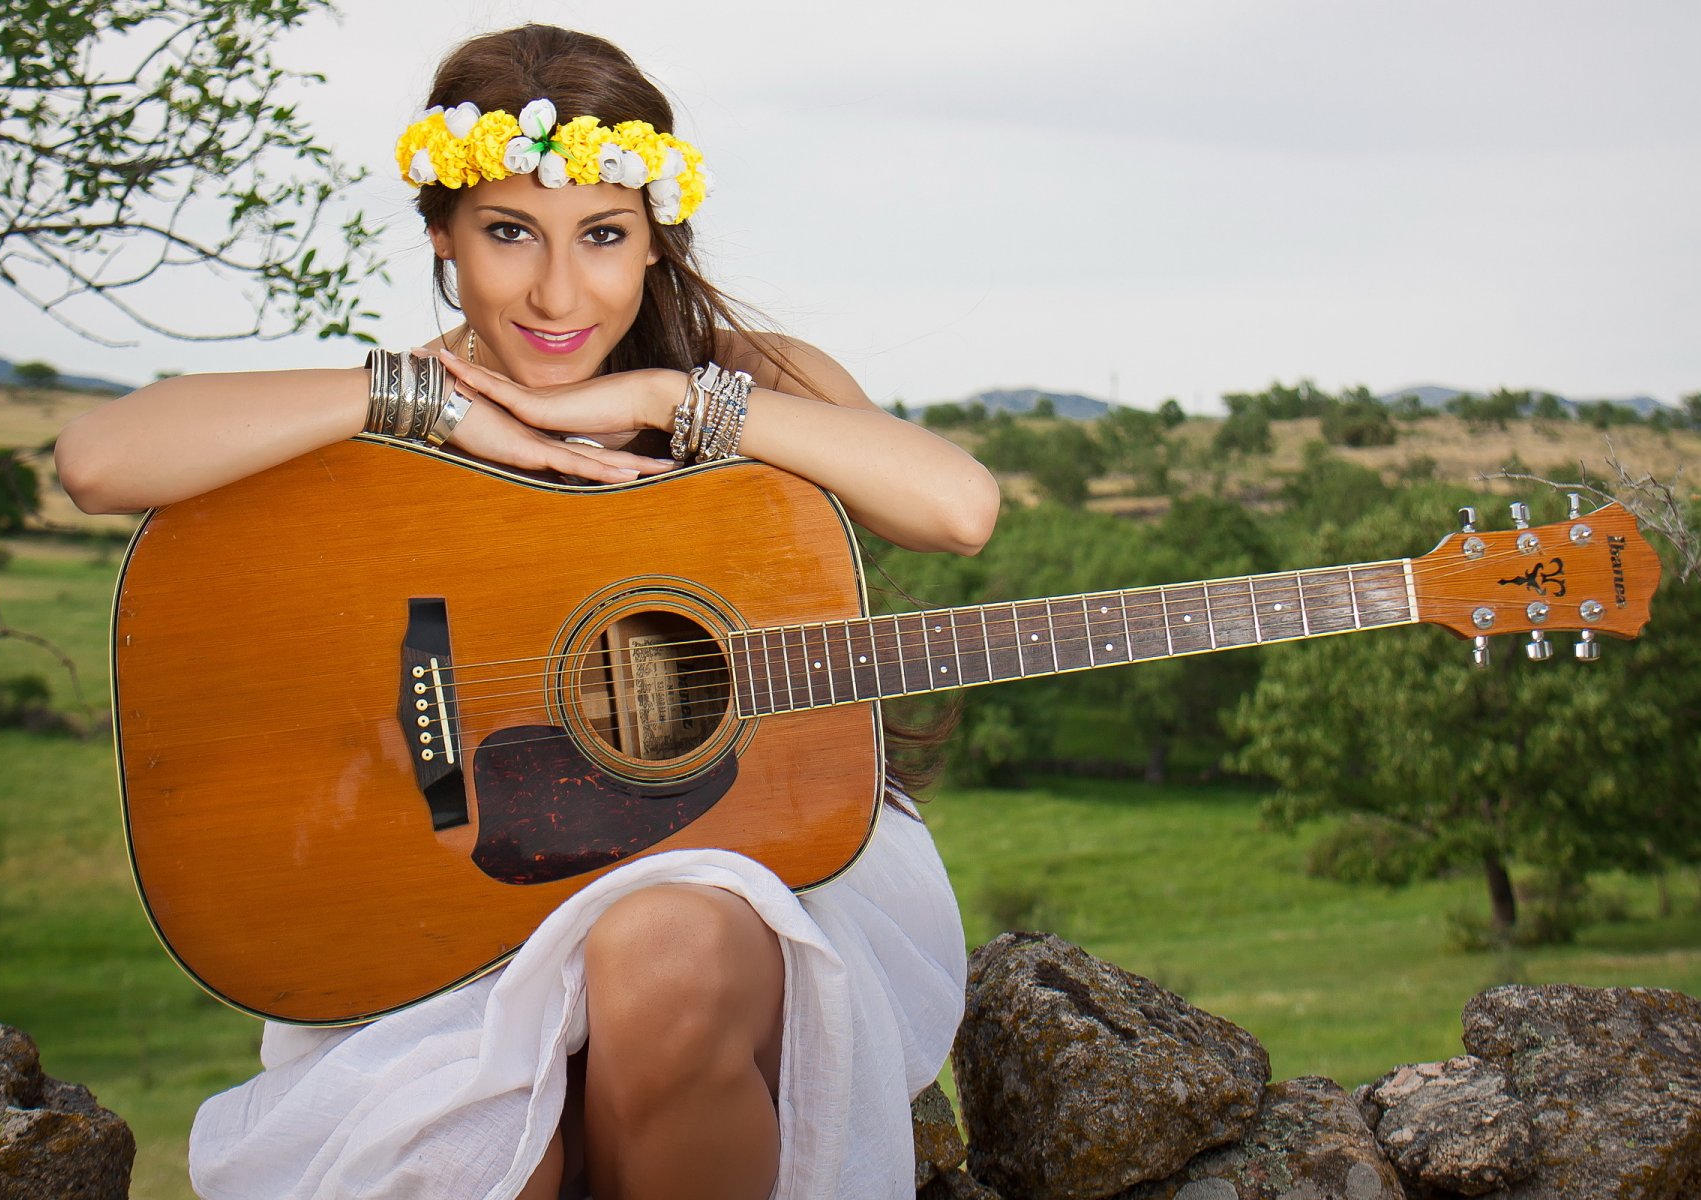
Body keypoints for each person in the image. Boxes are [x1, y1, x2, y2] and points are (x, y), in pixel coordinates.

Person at [55, 22, 999, 1200]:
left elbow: (958, 508)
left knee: (661, 951)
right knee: (502, 1150)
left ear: (657, 241)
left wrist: (665, 395)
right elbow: (96, 462)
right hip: (457, 892)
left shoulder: (748, 378)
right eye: (510, 233)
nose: (560, 291)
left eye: (603, 236)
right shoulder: (398, 413)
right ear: (444, 239)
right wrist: (429, 406)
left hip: (752, 858)